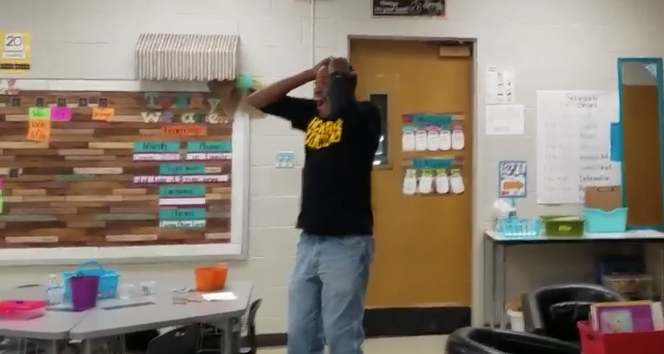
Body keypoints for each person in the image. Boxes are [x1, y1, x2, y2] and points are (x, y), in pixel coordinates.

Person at [245, 57, 382, 354]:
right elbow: (258, 100)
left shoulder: (365, 115)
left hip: (347, 243)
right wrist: (310, 73)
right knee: (300, 332)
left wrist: (336, 70)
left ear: (343, 86)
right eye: (315, 90)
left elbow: (342, 102)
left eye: (324, 89)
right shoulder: (312, 115)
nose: (317, 95)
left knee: (340, 332)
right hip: (309, 240)